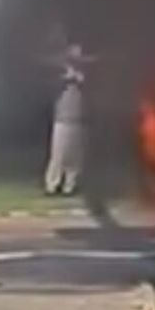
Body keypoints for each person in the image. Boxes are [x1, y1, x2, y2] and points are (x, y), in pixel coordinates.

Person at [44, 42, 90, 196]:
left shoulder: (85, 74)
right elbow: (54, 86)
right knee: (58, 154)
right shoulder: (58, 75)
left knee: (75, 158)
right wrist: (67, 77)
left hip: (79, 117)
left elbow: (88, 83)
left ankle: (70, 186)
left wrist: (78, 76)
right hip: (62, 119)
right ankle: (52, 185)